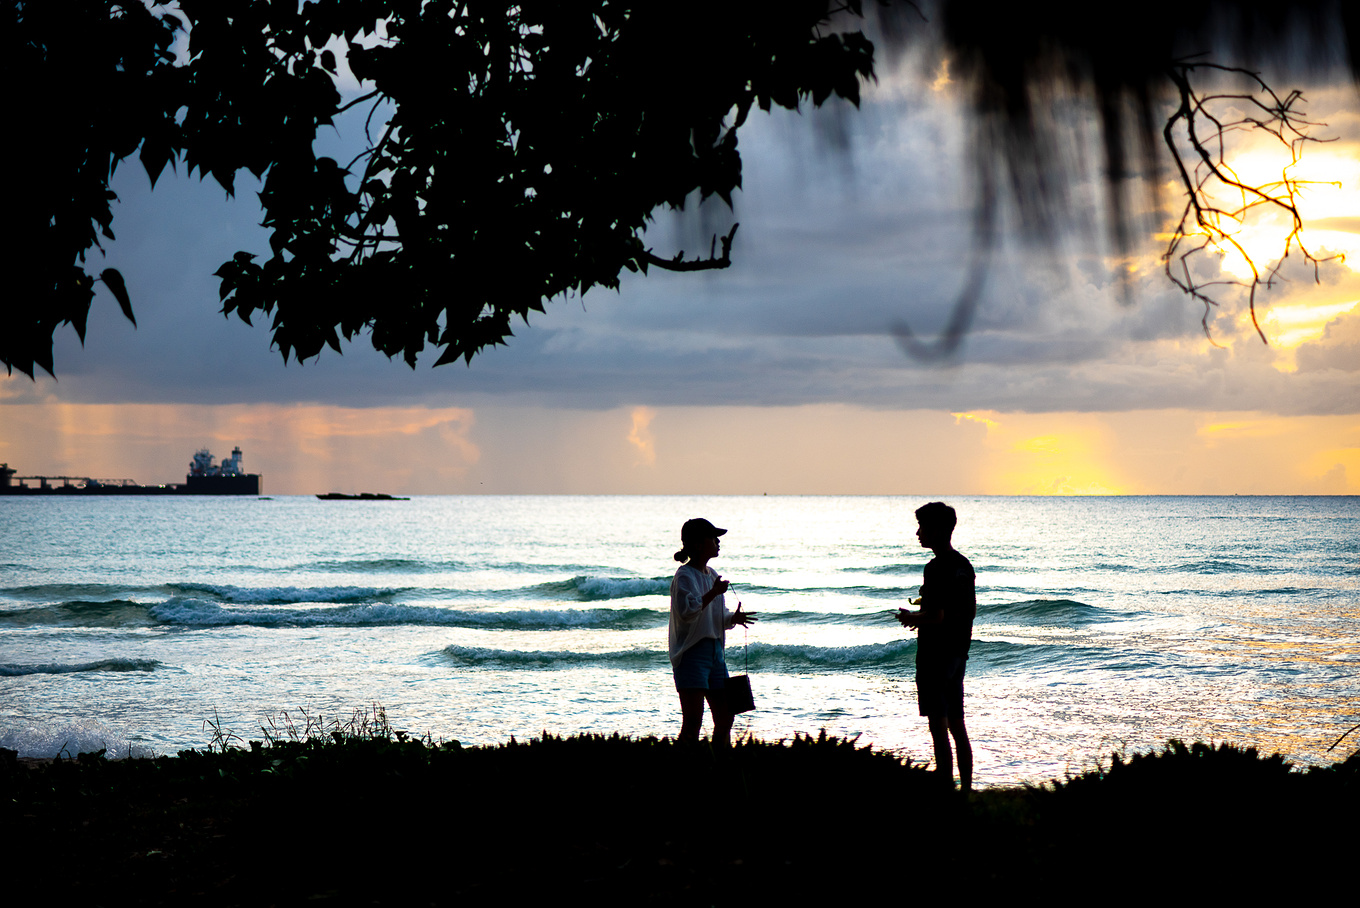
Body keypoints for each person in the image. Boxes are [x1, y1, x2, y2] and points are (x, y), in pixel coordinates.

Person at [896, 502, 976, 791]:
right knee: (957, 725)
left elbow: (937, 615)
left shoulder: (936, 567)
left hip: (935, 656)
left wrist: (912, 617)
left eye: (923, 527)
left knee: (938, 728)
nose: (918, 533)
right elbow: (962, 612)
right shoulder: (964, 565)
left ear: (939, 530)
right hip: (958, 652)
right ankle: (965, 790)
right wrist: (923, 618)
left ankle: (945, 789)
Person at [669, 517, 757, 746]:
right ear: (698, 544)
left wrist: (732, 618)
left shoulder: (711, 573)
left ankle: (719, 764)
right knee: (693, 721)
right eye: (713, 537)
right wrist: (714, 592)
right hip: (691, 654)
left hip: (715, 654)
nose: (718, 542)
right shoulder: (684, 576)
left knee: (726, 717)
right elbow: (687, 611)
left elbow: (715, 615)